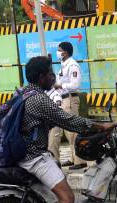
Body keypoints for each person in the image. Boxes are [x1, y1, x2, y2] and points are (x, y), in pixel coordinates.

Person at [20, 56, 117, 203]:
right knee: (67, 197)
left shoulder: (22, 92)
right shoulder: (39, 99)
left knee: (55, 177)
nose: (53, 76)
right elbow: (68, 121)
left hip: (23, 154)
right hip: (33, 157)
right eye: (49, 73)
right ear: (40, 77)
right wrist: (100, 126)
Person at [49, 41, 88, 170]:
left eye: (59, 50)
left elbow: (75, 84)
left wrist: (60, 85)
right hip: (62, 100)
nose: (58, 52)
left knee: (72, 131)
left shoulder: (72, 65)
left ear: (65, 52)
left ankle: (79, 161)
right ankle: (58, 161)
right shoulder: (63, 65)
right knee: (58, 131)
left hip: (70, 100)